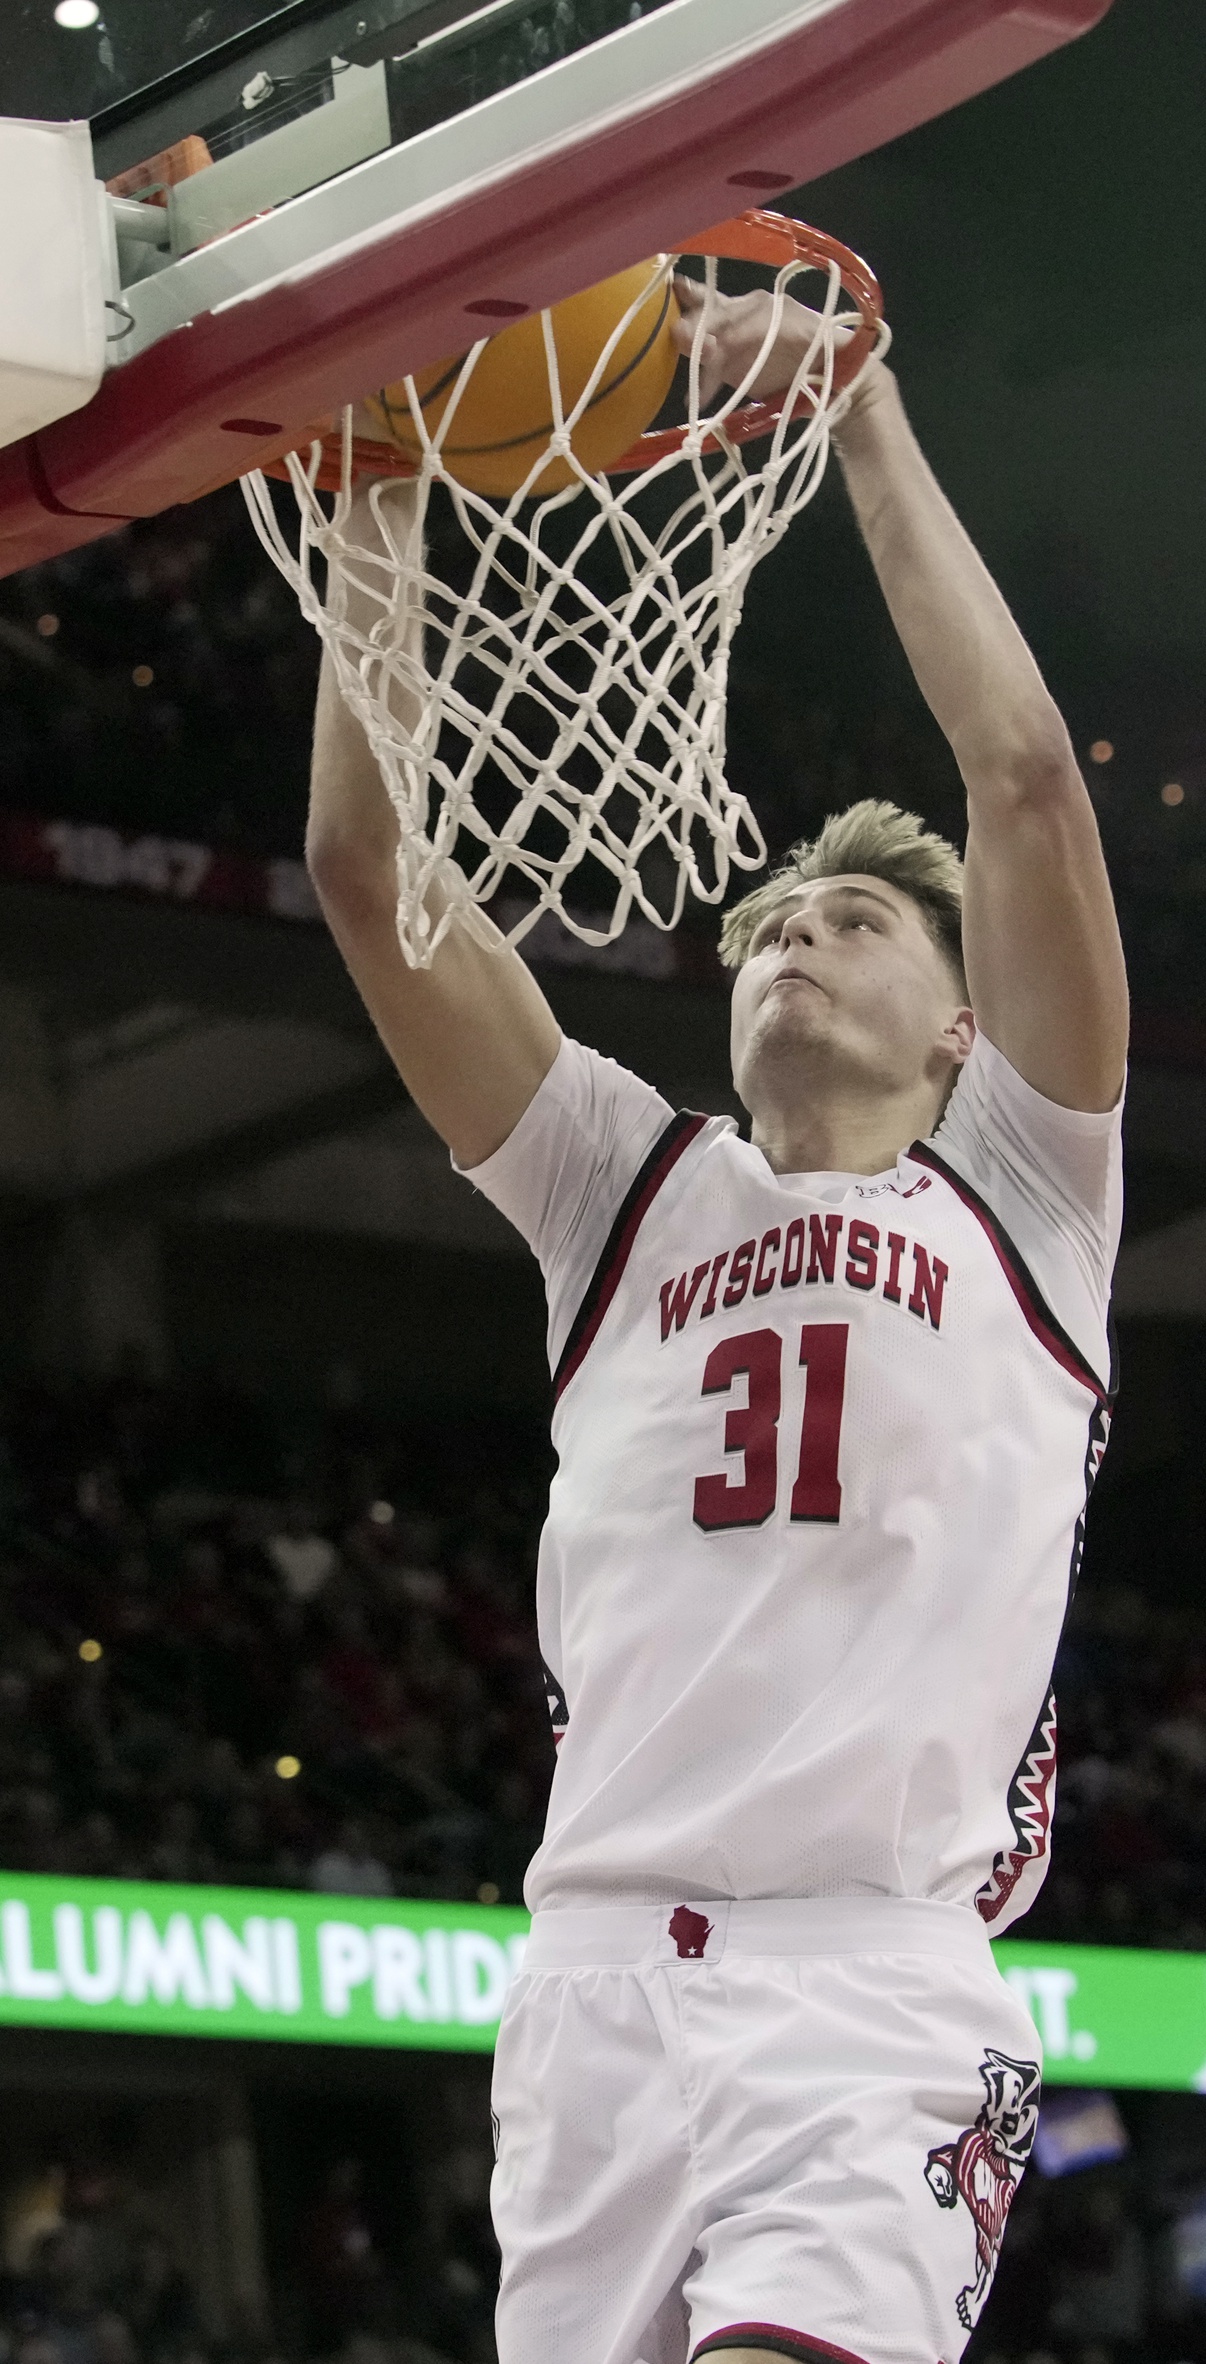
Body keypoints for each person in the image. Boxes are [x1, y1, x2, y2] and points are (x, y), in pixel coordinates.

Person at [305, 273, 1128, 2364]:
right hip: (587, 1987)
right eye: (769, 922)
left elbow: (1022, 775)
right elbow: (363, 867)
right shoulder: (624, 1189)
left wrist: (858, 410)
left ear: (959, 1028)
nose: (792, 940)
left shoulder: (1027, 1191)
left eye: (851, 921)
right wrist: (379, 486)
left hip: (867, 1982)